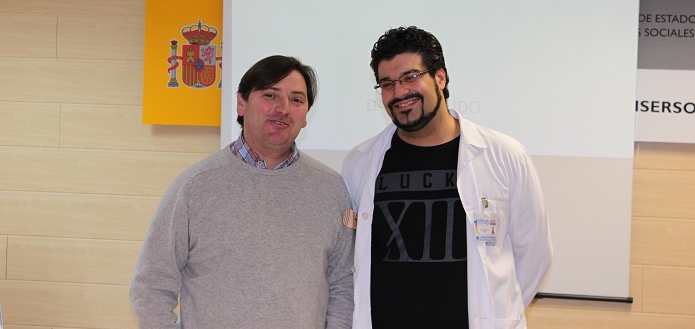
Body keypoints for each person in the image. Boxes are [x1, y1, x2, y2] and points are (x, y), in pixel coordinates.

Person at [342, 27, 552, 329]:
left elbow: (534, 255)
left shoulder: (504, 156)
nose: (399, 93)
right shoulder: (360, 162)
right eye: (387, 84)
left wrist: (497, 312)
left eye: (410, 77)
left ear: (440, 77)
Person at [130, 55, 354, 328]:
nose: (284, 108)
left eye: (296, 100)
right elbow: (151, 285)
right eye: (270, 95)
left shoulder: (331, 189)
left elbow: (342, 285)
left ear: (305, 115)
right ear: (241, 103)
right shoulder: (194, 187)